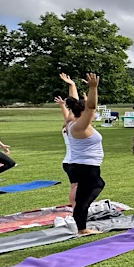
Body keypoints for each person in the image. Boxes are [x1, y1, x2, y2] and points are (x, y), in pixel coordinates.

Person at [66, 74, 105, 235]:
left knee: (95, 187)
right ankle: (82, 227)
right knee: (85, 197)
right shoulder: (79, 126)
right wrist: (93, 88)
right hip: (85, 167)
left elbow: (74, 103)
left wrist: (72, 86)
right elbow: (91, 107)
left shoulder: (71, 121)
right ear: (82, 112)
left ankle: (80, 216)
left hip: (83, 165)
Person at [56, 73, 80, 208]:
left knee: (75, 186)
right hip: (74, 162)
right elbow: (74, 102)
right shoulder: (73, 123)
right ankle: (76, 209)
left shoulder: (68, 124)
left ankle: (76, 207)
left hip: (69, 161)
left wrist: (62, 106)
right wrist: (72, 85)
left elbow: (69, 111)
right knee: (76, 186)